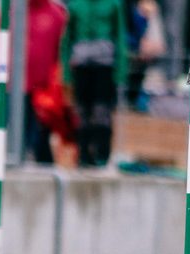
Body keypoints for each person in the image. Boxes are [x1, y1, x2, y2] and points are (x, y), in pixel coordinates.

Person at [0, 0, 69, 165]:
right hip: (12, 88)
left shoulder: (56, 14)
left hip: (42, 91)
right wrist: (2, 68)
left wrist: (56, 80)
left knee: (40, 136)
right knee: (14, 134)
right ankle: (15, 165)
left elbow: (63, 51)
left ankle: (43, 172)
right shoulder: (8, 12)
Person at [61, 0, 127, 168]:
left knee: (101, 111)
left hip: (105, 65)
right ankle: (83, 153)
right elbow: (67, 39)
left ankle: (102, 154)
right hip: (81, 65)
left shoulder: (113, 5)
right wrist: (66, 75)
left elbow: (119, 37)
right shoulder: (75, 6)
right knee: (82, 111)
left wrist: (120, 72)